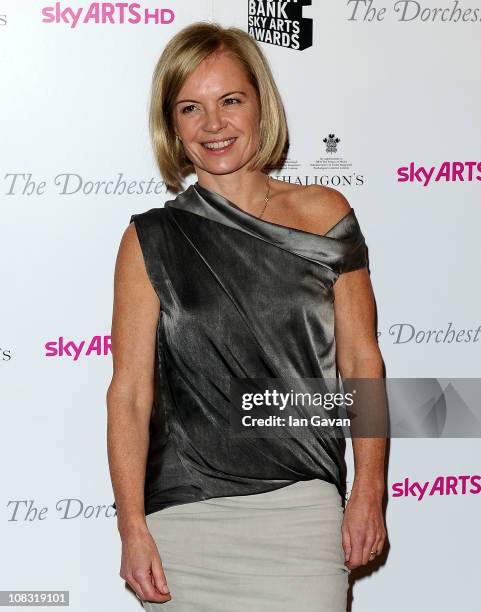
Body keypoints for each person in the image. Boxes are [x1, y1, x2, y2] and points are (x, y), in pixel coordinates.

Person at [107, 21, 387, 612]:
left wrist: (369, 490)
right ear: (172, 125)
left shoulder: (326, 215)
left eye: (230, 100)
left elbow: (362, 361)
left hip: (301, 513)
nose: (213, 124)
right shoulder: (149, 240)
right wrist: (131, 528)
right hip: (184, 521)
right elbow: (129, 394)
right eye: (191, 107)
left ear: (261, 104)